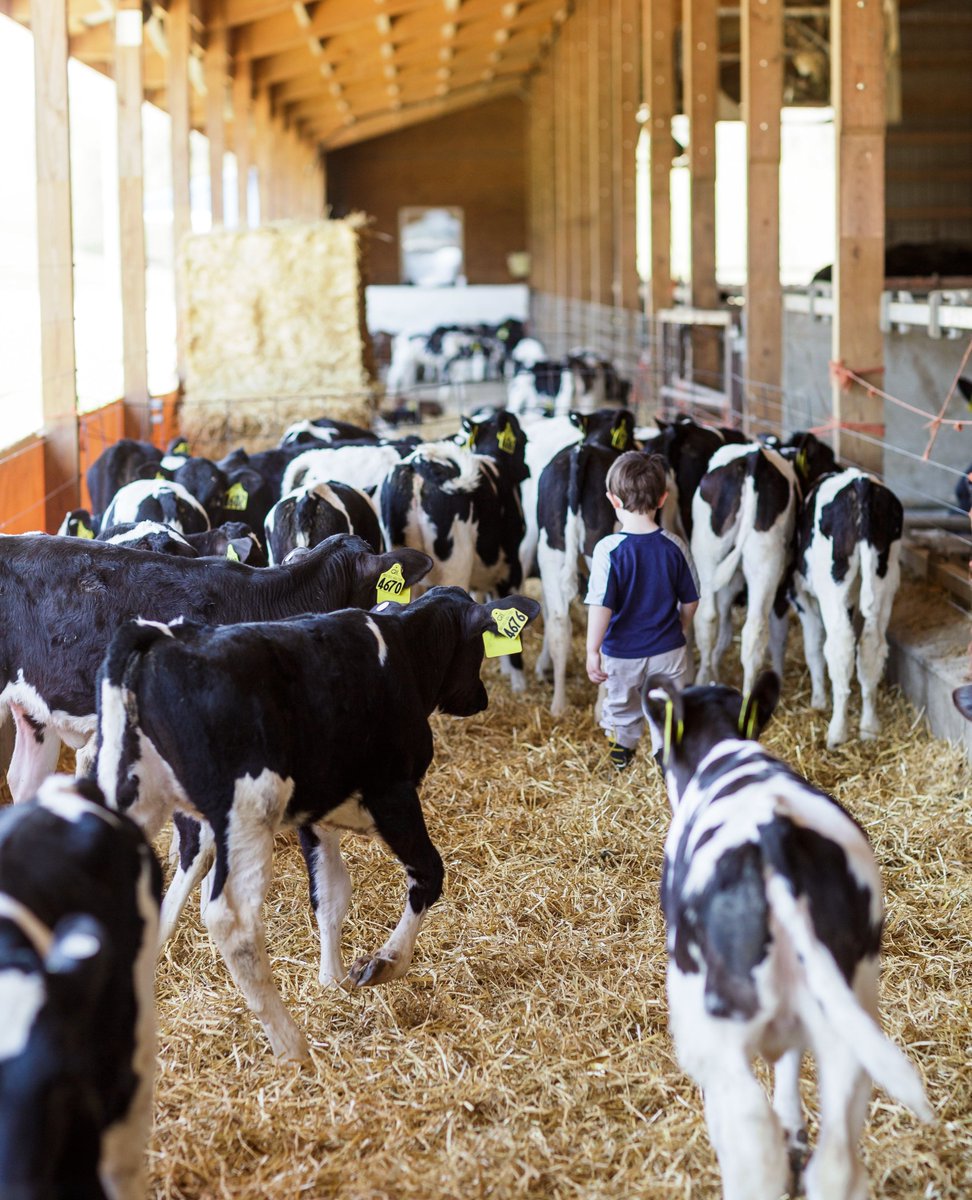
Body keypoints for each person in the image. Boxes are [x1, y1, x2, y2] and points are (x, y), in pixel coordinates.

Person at [585, 451, 699, 769]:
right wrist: (682, 628)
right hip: (668, 650)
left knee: (621, 709)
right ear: (663, 498)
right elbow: (691, 599)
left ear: (613, 499)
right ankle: (669, 770)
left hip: (621, 653)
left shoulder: (608, 549)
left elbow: (601, 605)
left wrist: (592, 649)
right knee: (667, 714)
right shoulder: (675, 545)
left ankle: (622, 762)